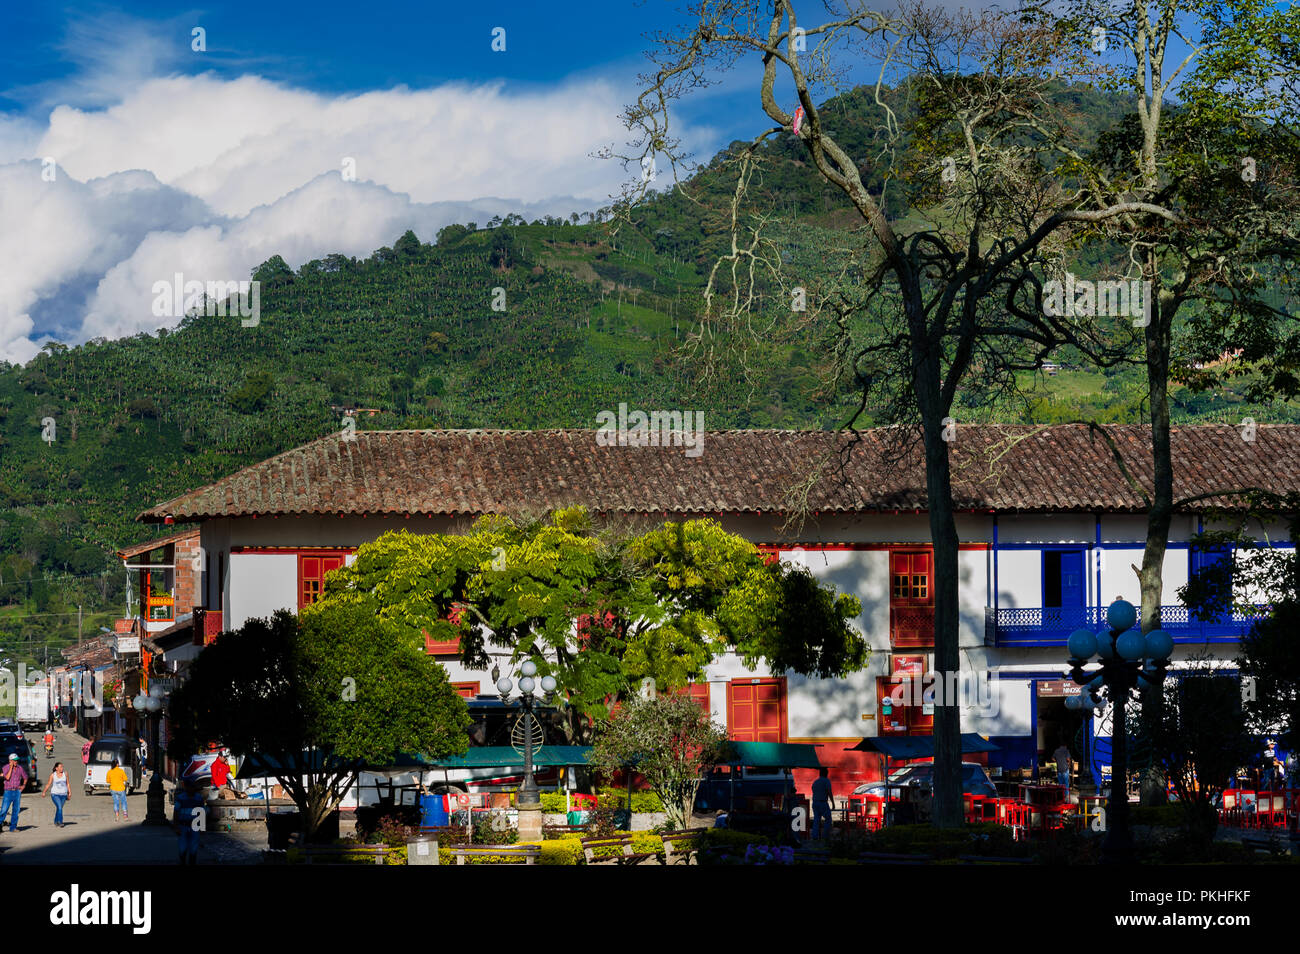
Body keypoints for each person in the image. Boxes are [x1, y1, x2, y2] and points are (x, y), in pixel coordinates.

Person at [174, 777, 205, 865]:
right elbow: (176, 812)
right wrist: (176, 827)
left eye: (192, 787)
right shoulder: (180, 798)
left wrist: (202, 827)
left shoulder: (199, 798)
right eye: (189, 787)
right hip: (183, 826)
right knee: (182, 848)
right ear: (186, 787)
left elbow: (201, 813)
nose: (191, 788)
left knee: (193, 849)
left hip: (195, 827)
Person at [1, 752, 28, 832]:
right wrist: (11, 767)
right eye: (14, 760)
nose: (16, 762)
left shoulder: (20, 768)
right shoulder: (5, 768)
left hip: (17, 792)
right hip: (8, 792)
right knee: (4, 810)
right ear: (10, 761)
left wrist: (23, 785)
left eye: (17, 760)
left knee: (16, 810)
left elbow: (25, 777)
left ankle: (13, 827)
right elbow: (7, 777)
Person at [41, 762, 70, 827]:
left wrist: (69, 792)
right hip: (55, 794)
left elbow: (67, 783)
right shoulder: (53, 775)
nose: (62, 768)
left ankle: (55, 821)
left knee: (59, 808)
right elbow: (48, 784)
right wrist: (44, 792)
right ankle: (60, 822)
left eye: (62, 767)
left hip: (63, 794)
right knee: (59, 807)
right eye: (60, 767)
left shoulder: (65, 774)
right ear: (56, 768)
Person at [811, 767, 833, 840]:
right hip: (823, 803)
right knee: (828, 819)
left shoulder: (815, 782)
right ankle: (825, 836)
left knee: (816, 820)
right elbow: (829, 792)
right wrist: (833, 803)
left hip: (815, 803)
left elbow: (813, 790)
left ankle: (815, 836)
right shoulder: (826, 781)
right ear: (826, 774)